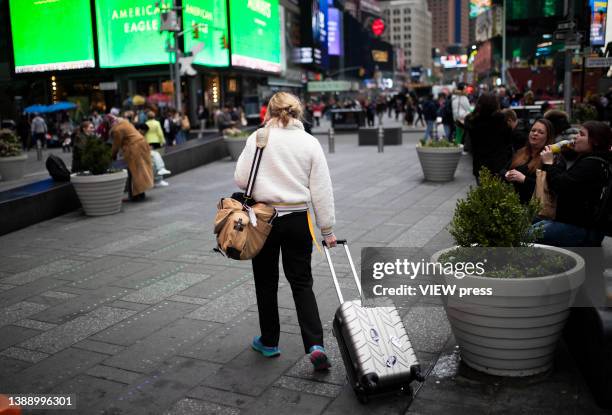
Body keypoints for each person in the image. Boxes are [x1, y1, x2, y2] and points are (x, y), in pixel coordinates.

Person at [234, 92, 336, 371]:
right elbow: (322, 190)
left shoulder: (258, 138)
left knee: (265, 281)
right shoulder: (310, 143)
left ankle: (269, 341)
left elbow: (241, 179)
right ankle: (315, 344)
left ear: (269, 111)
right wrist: (327, 230)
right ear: (298, 112)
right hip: (298, 220)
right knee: (302, 282)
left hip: (263, 219)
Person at [531, 121, 612, 247]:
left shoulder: (591, 165)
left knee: (525, 235)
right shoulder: (596, 161)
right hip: (582, 226)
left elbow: (559, 185)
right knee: (530, 222)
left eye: (582, 134)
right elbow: (568, 179)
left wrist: (548, 163)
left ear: (595, 141)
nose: (576, 137)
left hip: (579, 229)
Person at [503, 119, 554, 204]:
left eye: (541, 132)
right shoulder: (521, 152)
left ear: (548, 137)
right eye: (533, 130)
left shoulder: (550, 157)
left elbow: (549, 187)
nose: (535, 134)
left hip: (534, 208)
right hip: (513, 204)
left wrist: (524, 179)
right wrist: (507, 175)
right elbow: (503, 170)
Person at [465, 93, 513, 182]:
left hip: (480, 164)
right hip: (499, 164)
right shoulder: (501, 120)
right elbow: (508, 140)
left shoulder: (472, 121)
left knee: (482, 190)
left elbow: (470, 143)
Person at [108, 115, 154, 202]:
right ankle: (140, 193)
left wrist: (112, 155)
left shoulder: (117, 130)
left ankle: (135, 195)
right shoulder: (126, 123)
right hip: (142, 144)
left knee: (134, 171)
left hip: (134, 148)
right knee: (140, 170)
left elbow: (116, 145)